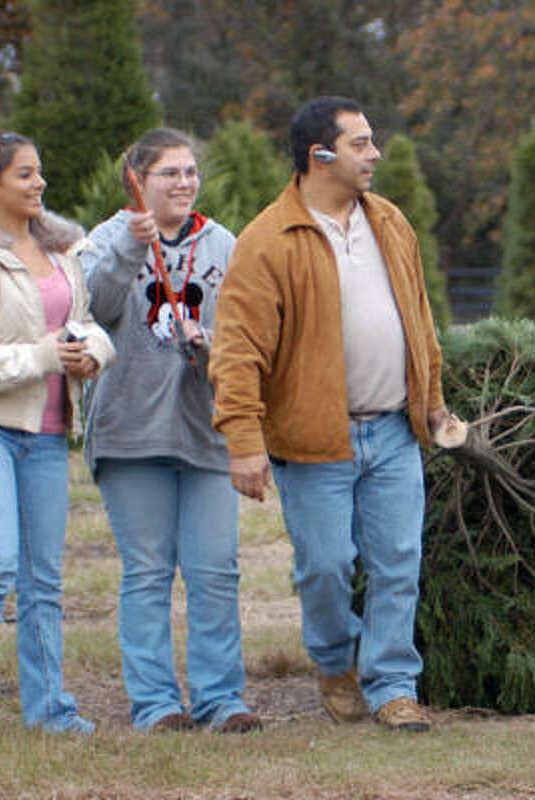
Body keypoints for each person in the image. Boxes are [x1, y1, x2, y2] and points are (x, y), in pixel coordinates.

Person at [209, 96, 453, 733]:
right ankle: (334, 660)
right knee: (324, 568)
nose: (374, 155)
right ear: (321, 156)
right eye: (361, 144)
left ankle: (394, 685)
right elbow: (236, 352)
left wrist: (432, 402)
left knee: (399, 563)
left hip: (395, 431)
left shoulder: (391, 222)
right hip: (316, 440)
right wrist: (242, 440)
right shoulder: (269, 240)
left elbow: (420, 318)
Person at [0, 123, 115, 741]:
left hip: (47, 434)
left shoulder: (64, 255)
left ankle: (51, 711)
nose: (40, 183)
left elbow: (85, 325)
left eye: (39, 172)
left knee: (43, 578)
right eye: (25, 174)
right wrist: (42, 356)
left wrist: (93, 355)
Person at [78, 128, 260, 733]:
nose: (185, 183)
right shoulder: (104, 239)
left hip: (204, 432)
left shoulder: (225, 245)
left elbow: (244, 334)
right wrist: (132, 248)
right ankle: (156, 704)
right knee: (149, 571)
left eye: (190, 172)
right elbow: (94, 311)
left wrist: (211, 344)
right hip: (132, 432)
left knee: (214, 569)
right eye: (169, 174)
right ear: (137, 180)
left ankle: (221, 699)